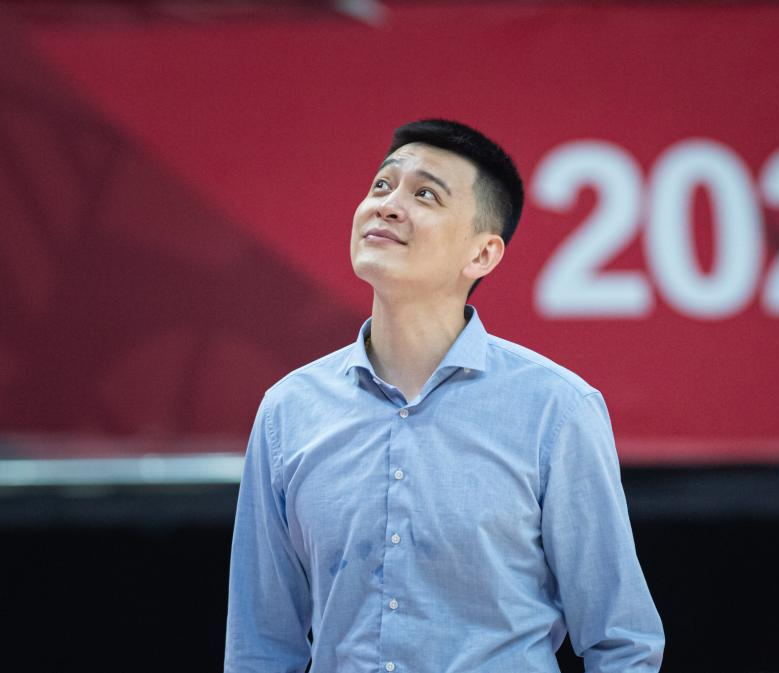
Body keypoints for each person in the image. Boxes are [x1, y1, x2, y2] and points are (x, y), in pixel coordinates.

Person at [224, 119, 665, 673]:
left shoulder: (556, 409)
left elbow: (622, 642)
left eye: (425, 195)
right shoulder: (288, 411)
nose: (387, 206)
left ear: (482, 255)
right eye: (382, 185)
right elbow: (260, 648)